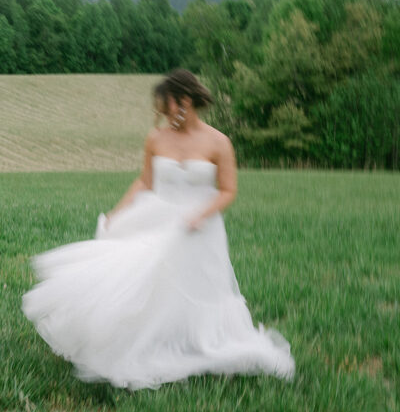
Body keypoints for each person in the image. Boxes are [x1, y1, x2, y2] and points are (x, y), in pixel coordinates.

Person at [22, 69, 294, 389]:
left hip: (201, 228)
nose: (168, 117)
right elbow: (146, 181)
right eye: (163, 111)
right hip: (158, 219)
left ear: (187, 101)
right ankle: (147, 341)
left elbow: (228, 191)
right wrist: (117, 211)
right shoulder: (156, 138)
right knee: (147, 281)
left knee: (199, 289)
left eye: (172, 109)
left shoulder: (219, 142)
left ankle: (199, 342)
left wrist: (200, 215)